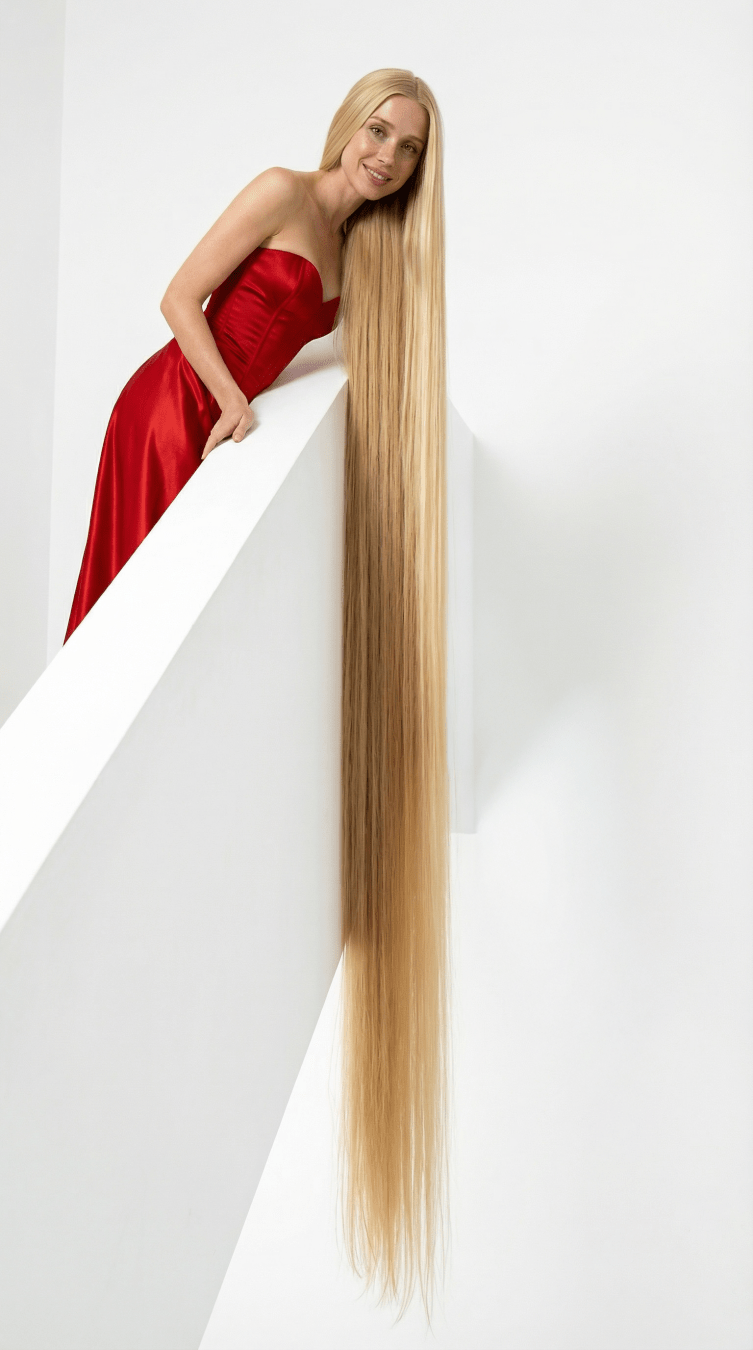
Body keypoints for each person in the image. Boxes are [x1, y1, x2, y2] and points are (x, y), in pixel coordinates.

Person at [66, 68, 451, 1321]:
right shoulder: (282, 190)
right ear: (348, 125)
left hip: (220, 425)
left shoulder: (365, 256)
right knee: (130, 611)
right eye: (379, 131)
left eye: (409, 148)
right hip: (173, 410)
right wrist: (231, 401)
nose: (387, 156)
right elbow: (178, 297)